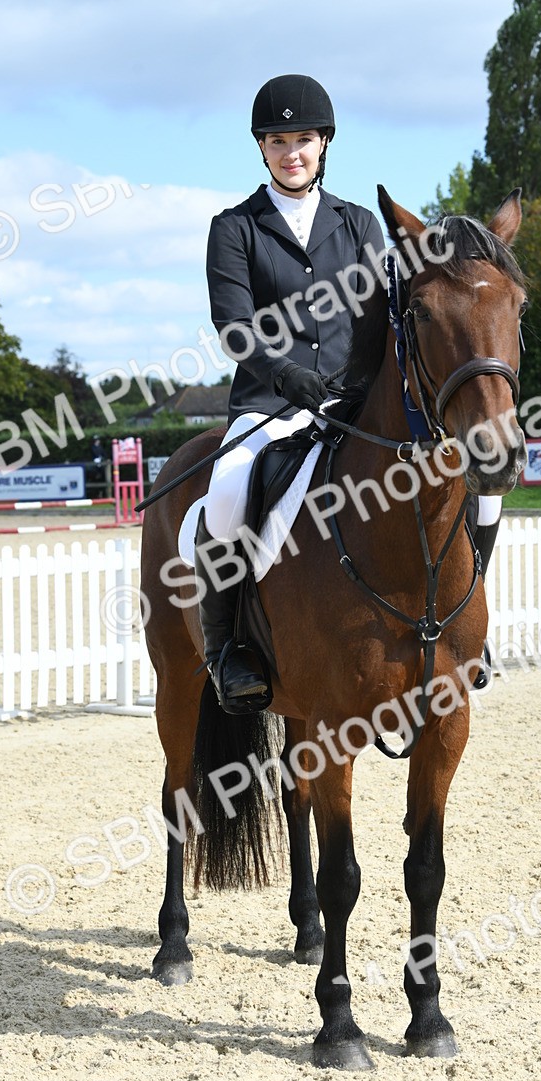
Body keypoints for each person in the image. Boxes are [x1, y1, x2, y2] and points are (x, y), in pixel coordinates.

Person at [197, 74, 385, 714]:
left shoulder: (359, 224)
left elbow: (378, 319)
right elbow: (235, 325)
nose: (291, 152)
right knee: (224, 497)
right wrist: (289, 377)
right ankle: (227, 651)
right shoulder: (235, 228)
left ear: (323, 142)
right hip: (269, 408)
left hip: (351, 408)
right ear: (261, 148)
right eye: (278, 141)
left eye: (303, 139)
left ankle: (457, 632)